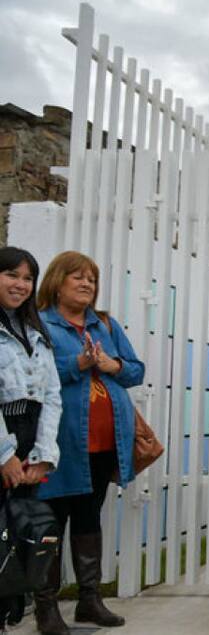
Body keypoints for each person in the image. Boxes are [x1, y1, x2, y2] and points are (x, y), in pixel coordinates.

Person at [35, 251, 145, 633]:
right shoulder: (41, 324)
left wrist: (112, 365)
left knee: (88, 518)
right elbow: (33, 378)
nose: (86, 285)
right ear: (57, 281)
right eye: (77, 277)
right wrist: (77, 365)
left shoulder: (104, 325)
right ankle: (46, 608)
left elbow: (135, 371)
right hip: (59, 443)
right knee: (50, 521)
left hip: (103, 443)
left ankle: (89, 600)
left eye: (91, 280)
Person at [0, 248, 62, 633]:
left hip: (28, 445)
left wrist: (41, 455)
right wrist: (4, 454)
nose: (21, 285)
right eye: (11, 275)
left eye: (28, 278)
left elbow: (51, 397)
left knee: (16, 540)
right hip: (4, 440)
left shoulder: (35, 332)